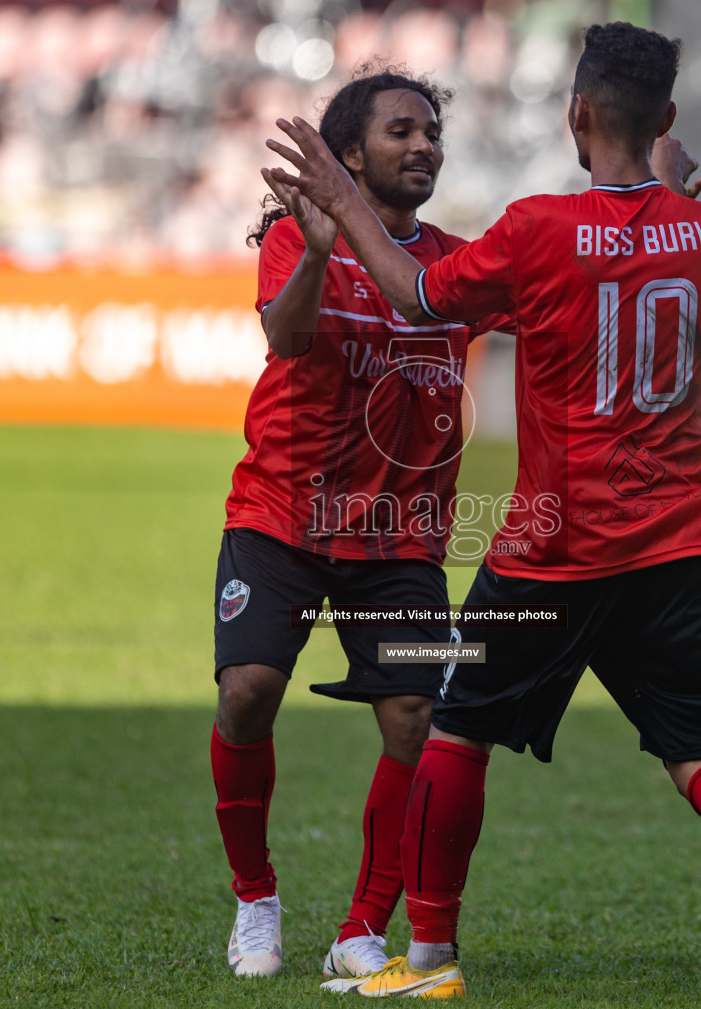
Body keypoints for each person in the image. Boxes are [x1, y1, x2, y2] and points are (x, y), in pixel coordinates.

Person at [266, 22, 701, 1008]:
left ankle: (429, 956)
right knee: (699, 748)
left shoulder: (536, 231)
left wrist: (342, 194)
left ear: (576, 114)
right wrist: (670, 188)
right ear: (667, 123)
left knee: (452, 727)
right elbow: (659, 247)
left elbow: (413, 291)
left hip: (560, 543)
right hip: (688, 535)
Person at [212, 69, 516, 982]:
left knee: (417, 718)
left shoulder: (458, 262)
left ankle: (360, 926)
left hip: (403, 539)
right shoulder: (291, 238)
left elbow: (550, 309)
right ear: (348, 158)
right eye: (400, 132)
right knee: (248, 691)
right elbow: (289, 340)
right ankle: (255, 900)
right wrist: (312, 252)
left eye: (431, 132)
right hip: (283, 513)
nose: (424, 145)